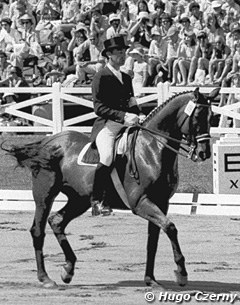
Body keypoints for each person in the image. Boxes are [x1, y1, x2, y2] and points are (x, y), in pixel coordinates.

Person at [90, 35, 145, 216]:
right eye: (119, 53)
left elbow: (131, 100)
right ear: (109, 55)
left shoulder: (126, 77)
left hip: (128, 122)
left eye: (123, 52)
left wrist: (139, 113)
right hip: (108, 125)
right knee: (106, 157)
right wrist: (122, 117)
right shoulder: (101, 76)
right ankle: (97, 200)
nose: (123, 56)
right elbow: (99, 107)